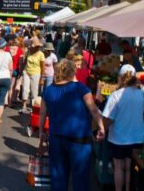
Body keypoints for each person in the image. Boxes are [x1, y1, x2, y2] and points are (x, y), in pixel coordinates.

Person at [39, 59, 105, 191]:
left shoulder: (48, 91)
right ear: (72, 72)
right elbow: (93, 110)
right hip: (79, 140)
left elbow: (42, 114)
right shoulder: (82, 89)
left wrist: (41, 132)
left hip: (56, 138)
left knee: (58, 177)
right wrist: (101, 127)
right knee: (80, 178)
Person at [102, 64, 144, 191]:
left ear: (121, 77)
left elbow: (108, 119)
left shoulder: (116, 95)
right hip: (137, 137)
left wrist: (101, 129)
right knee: (129, 165)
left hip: (119, 137)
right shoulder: (141, 94)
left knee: (119, 166)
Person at [21, 37, 45, 114]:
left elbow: (43, 67)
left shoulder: (41, 54)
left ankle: (33, 107)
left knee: (34, 91)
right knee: (25, 89)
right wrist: (22, 70)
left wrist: (42, 78)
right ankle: (24, 106)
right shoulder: (28, 52)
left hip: (36, 73)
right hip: (26, 72)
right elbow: (25, 62)